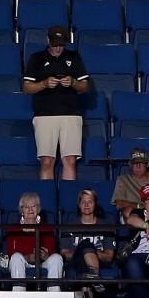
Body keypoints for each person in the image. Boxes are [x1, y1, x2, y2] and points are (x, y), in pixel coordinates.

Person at [23, 26, 89, 182]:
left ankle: (68, 199)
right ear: (48, 41)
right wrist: (44, 84)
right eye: (55, 44)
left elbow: (85, 86)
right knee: (47, 161)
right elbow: (26, 87)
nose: (58, 48)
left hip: (71, 114)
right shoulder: (37, 58)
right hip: (45, 114)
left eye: (61, 44)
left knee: (70, 160)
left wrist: (73, 82)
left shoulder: (74, 57)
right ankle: (48, 200)